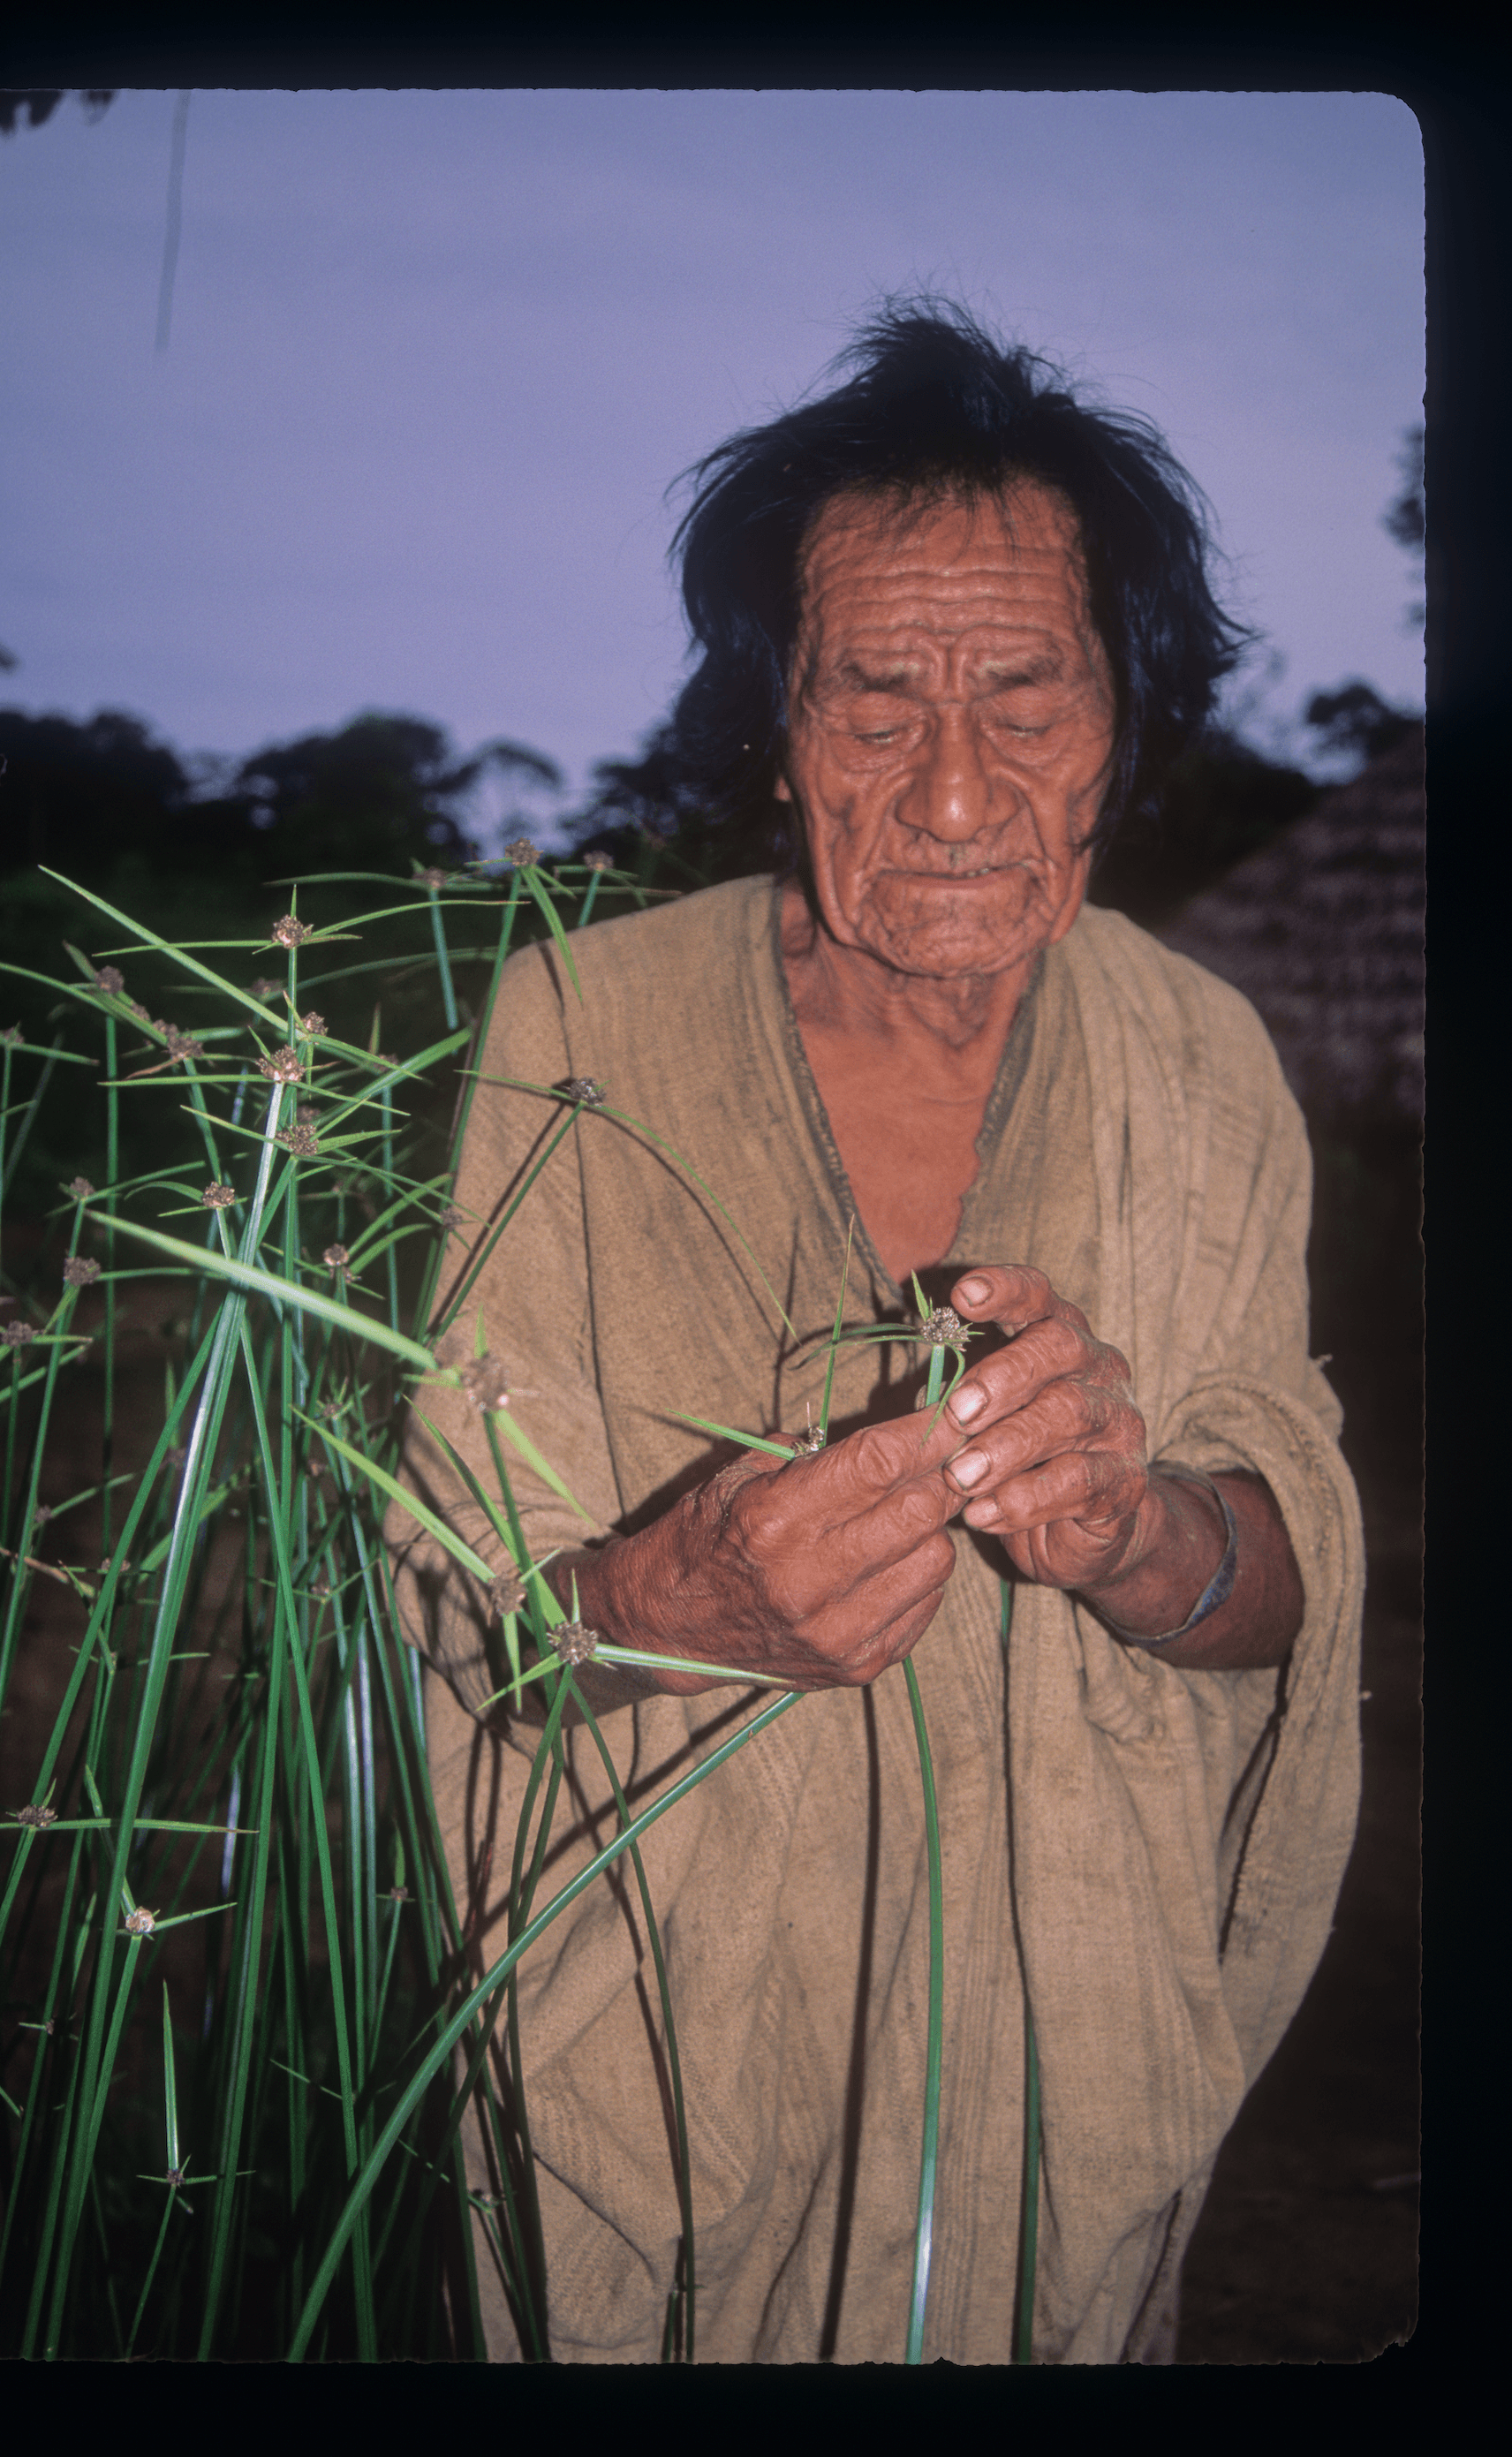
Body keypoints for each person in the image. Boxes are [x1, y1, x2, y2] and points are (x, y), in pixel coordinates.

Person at [390, 305, 1364, 2364]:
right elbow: (470, 1601)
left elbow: (1290, 1580)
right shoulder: (582, 1031)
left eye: (1024, 693)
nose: (949, 788)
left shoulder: (1200, 1058)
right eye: (870, 700)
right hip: (665, 2073)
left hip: (1066, 2086)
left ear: (1124, 711)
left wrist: (1146, 1534)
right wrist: (684, 1594)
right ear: (771, 723)